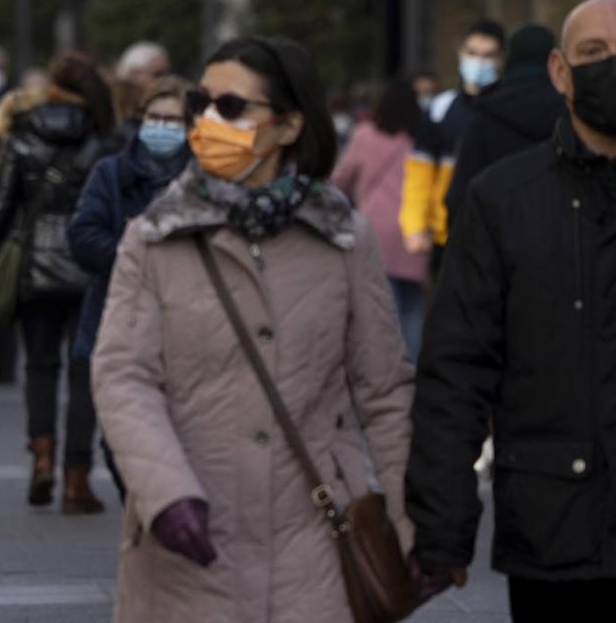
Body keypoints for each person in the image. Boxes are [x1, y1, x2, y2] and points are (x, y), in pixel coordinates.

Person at [92, 36, 413, 622]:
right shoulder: (155, 235)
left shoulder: (344, 237)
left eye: (232, 107)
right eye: (201, 103)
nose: (209, 120)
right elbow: (121, 374)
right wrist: (165, 493)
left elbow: (385, 391)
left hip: (315, 543)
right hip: (187, 545)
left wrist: (415, 526)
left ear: (288, 126)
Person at [406, 0, 616, 622]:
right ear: (560, 71)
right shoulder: (504, 199)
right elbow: (456, 370)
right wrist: (443, 527)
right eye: (594, 53)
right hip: (554, 535)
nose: (613, 66)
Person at [0, 51, 116, 508]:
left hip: (34, 267)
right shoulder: (104, 139)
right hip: (91, 266)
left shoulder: (23, 133)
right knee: (84, 369)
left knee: (40, 365)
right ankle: (76, 478)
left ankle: (42, 458)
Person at [67, 75, 194, 505]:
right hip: (116, 317)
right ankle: (146, 512)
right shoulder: (113, 172)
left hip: (186, 328)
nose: (161, 127)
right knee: (120, 444)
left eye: (172, 120)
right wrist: (138, 256)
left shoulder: (204, 179)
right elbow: (84, 236)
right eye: (154, 118)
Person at [331, 79, 428, 361]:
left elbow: (340, 180)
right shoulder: (421, 138)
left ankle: (388, 371)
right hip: (414, 231)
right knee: (412, 309)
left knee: (384, 310)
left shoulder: (363, 136)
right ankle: (412, 371)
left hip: (374, 232)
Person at [399, 19, 504, 265]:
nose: (479, 62)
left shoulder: (510, 108)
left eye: (488, 55)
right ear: (460, 54)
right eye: (473, 53)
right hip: (446, 234)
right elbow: (420, 171)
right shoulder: (440, 109)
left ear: (500, 59)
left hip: (500, 232)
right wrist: (414, 225)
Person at [444, 24, 565, 226]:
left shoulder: (486, 113)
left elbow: (460, 194)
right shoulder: (572, 113)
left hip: (497, 234)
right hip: (560, 234)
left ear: (508, 58)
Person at [112, 41, 171, 130]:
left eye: (166, 75)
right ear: (134, 74)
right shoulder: (110, 113)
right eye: (158, 74)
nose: (165, 82)